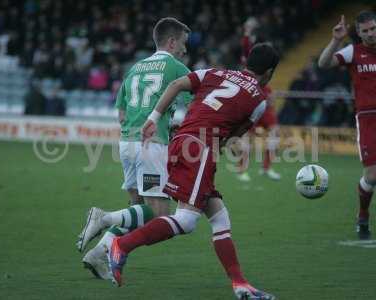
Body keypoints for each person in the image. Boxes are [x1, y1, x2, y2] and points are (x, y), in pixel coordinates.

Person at [108, 43, 279, 300]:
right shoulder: (259, 101)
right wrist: (233, 150)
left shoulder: (214, 73)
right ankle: (121, 245)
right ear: (269, 72)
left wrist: (153, 119)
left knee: (220, 217)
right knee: (186, 221)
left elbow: (176, 85)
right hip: (200, 148)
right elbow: (232, 137)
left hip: (182, 142)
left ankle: (241, 285)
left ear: (246, 62)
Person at [76, 17, 193, 279]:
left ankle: (98, 254)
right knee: (158, 215)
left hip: (126, 143)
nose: (185, 50)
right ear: (172, 42)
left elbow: (121, 113)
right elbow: (198, 100)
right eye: (183, 44)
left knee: (136, 209)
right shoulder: (175, 67)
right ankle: (102, 217)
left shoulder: (135, 68)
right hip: (151, 146)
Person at [318, 11, 376, 240]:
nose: (371, 33)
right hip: (368, 118)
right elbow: (323, 64)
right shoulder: (354, 52)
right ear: (359, 33)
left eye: (373, 28)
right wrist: (336, 40)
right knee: (372, 176)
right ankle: (363, 214)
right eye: (366, 30)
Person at [236, 20, 281, 182]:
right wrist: (247, 30)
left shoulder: (270, 61)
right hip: (251, 98)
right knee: (247, 136)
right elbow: (245, 44)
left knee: (274, 131)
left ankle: (267, 168)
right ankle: (242, 170)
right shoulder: (251, 55)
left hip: (265, 99)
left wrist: (270, 93)